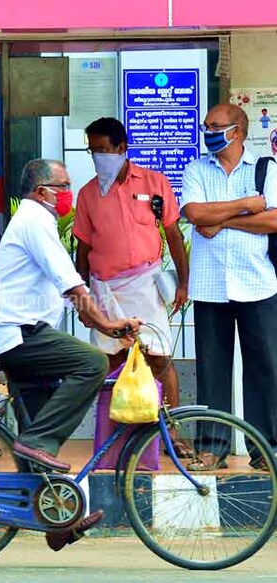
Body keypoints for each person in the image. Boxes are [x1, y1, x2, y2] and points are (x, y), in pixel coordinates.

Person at [0, 158, 139, 552]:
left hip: (20, 332)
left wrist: (100, 321)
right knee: (92, 363)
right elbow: (73, 285)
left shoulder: (38, 221)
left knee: (34, 424)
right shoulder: (34, 220)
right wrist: (108, 325)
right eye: (62, 186)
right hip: (14, 334)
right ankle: (38, 442)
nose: (67, 193)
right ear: (40, 190)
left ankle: (55, 521)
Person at [73, 117, 190, 455]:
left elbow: (173, 235)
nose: (97, 156)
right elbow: (82, 248)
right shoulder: (88, 194)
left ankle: (172, 435)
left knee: (160, 359)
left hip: (145, 284)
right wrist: (84, 299)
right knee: (108, 363)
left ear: (122, 148)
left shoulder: (154, 182)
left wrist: (183, 283)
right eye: (92, 150)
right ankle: (115, 436)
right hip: (105, 289)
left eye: (103, 149)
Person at [180, 103, 277, 472]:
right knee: (212, 370)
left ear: (236, 130)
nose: (208, 131)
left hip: (257, 282)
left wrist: (224, 220)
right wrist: (245, 207)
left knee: (265, 367)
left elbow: (273, 219)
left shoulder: (266, 169)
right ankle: (211, 447)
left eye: (215, 126)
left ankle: (266, 448)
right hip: (210, 286)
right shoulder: (196, 169)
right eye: (206, 125)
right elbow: (195, 215)